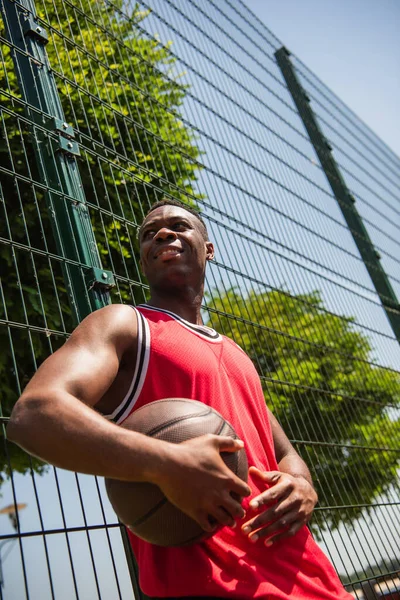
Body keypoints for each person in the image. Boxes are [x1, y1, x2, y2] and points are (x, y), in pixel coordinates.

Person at [8, 199, 353, 599]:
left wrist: (301, 484)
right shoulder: (125, 325)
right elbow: (33, 414)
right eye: (149, 234)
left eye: (178, 226)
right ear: (144, 259)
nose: (162, 234)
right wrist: (166, 463)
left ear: (208, 248)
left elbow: (284, 452)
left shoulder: (237, 354)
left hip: (314, 580)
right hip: (209, 587)